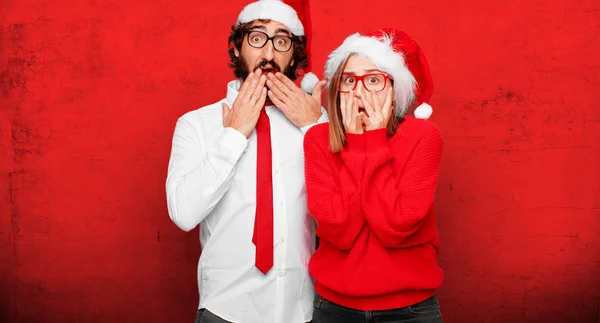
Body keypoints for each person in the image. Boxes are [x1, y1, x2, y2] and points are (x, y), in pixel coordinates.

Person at [165, 0, 328, 322]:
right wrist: (235, 135)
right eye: (257, 37)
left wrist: (315, 128)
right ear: (238, 48)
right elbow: (184, 214)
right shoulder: (197, 124)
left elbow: (349, 209)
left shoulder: (317, 123)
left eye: (281, 41)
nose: (268, 53)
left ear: (293, 54)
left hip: (302, 309)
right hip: (224, 309)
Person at [302, 28, 444, 323]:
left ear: (394, 91)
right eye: (349, 80)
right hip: (333, 309)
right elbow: (341, 231)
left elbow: (394, 226)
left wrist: (374, 141)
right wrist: (356, 144)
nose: (359, 91)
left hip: (411, 311)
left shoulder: (424, 136)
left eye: (374, 80)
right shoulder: (317, 140)